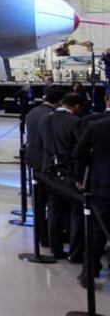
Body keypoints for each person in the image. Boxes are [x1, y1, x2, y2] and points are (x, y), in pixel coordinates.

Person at [42, 93, 86, 259]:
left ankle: (56, 248)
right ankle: (75, 252)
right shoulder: (75, 122)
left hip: (50, 171)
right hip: (69, 171)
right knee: (76, 211)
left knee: (54, 209)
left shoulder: (46, 118)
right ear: (76, 107)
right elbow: (81, 150)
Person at [25, 86, 67, 247]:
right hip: (46, 163)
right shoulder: (51, 116)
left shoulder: (34, 112)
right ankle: (50, 237)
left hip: (33, 159)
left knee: (39, 203)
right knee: (53, 202)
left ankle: (42, 235)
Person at [73, 113, 110, 284]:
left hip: (102, 185)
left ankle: (89, 272)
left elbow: (79, 153)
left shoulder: (96, 126)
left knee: (96, 232)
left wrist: (81, 178)